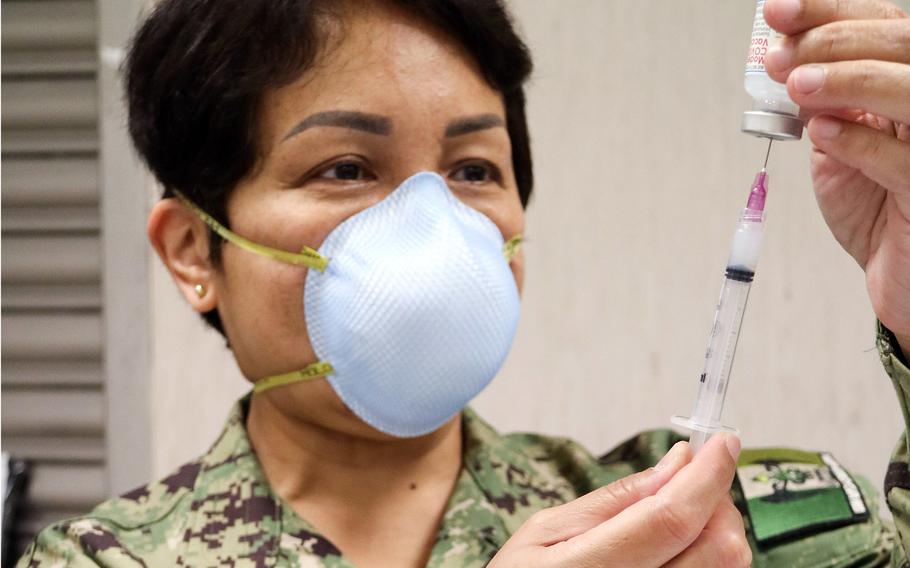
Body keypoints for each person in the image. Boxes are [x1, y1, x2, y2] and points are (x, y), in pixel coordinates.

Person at [17, 0, 910, 566]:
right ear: (191, 251)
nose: (434, 225)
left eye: (474, 171)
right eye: (345, 168)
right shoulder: (101, 559)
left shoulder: (683, 520)